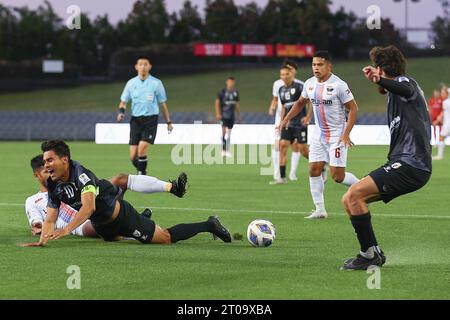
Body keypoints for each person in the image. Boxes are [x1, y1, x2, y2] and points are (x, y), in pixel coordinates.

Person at [22, 140, 231, 247]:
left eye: (50, 160)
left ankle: (209, 224)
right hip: (101, 225)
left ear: (64, 160)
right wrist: (43, 240)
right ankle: (145, 219)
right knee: (115, 239)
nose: (46, 165)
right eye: (45, 162)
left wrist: (67, 229)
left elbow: (89, 207)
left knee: (166, 238)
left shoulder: (81, 175)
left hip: (121, 217)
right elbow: (51, 215)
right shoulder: (53, 184)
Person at [341, 45, 432, 270]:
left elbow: (406, 90)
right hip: (403, 163)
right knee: (349, 200)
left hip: (412, 163)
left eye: (376, 69)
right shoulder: (394, 96)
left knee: (354, 195)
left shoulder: (404, 83)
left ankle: (368, 255)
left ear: (381, 70)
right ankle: (374, 251)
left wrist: (380, 80)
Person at [278, 51, 359, 219]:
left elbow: (353, 108)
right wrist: (286, 119)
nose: (316, 67)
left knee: (337, 177)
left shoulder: (339, 85)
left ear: (329, 66)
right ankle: (320, 210)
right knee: (314, 170)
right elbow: (300, 103)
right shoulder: (309, 84)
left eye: (320, 64)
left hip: (337, 135)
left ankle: (361, 186)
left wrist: (346, 134)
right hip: (318, 134)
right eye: (314, 64)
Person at [117, 56, 173, 175]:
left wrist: (168, 121)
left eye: (145, 64)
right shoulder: (131, 83)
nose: (143, 66)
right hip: (135, 120)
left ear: (150, 67)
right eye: (140, 64)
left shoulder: (156, 83)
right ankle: (142, 171)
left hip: (150, 119)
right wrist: (121, 113)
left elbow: (162, 103)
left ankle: (141, 176)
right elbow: (123, 101)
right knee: (133, 156)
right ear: (136, 67)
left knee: (142, 149)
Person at [25, 155, 97, 238]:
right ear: (37, 175)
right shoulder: (32, 200)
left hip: (91, 211)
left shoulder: (70, 184)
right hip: (76, 225)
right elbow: (36, 219)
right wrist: (38, 225)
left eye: (52, 170)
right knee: (98, 228)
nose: (51, 174)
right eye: (46, 172)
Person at [270, 65, 311, 184]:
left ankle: (320, 164)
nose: (284, 76)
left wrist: (308, 116)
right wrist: (281, 122)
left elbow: (309, 102)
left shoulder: (299, 87)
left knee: (303, 149)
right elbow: (283, 107)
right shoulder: (281, 90)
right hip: (288, 124)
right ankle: (282, 178)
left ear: (292, 74)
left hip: (300, 123)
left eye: (286, 74)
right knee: (282, 146)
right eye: (282, 74)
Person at [215, 77, 241, 157]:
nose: (230, 83)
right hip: (224, 115)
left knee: (229, 133)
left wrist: (238, 114)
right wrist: (218, 113)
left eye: (232, 82)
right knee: (224, 132)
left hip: (231, 116)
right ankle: (223, 150)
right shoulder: (222, 92)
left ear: (234, 83)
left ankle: (228, 150)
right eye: (229, 82)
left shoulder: (235, 92)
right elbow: (217, 103)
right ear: (227, 82)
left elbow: (236, 104)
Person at [432, 85, 449, 160]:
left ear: (447, 94)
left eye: (443, 93)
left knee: (441, 137)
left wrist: (437, 120)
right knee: (442, 137)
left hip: (448, 124)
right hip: (447, 123)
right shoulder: (446, 102)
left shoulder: (446, 102)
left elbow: (442, 114)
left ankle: (440, 156)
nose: (441, 95)